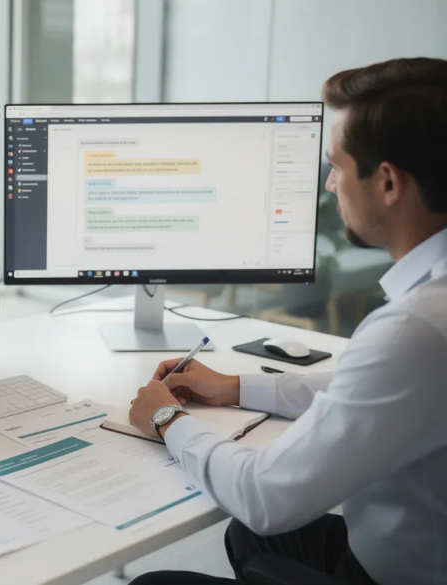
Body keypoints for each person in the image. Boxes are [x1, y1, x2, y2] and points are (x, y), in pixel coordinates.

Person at [127, 58, 447, 585]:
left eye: (338, 166)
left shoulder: (415, 330)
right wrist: (234, 386)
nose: (329, 184)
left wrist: (168, 422)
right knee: (249, 539)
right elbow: (371, 388)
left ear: (388, 182)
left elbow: (265, 496)